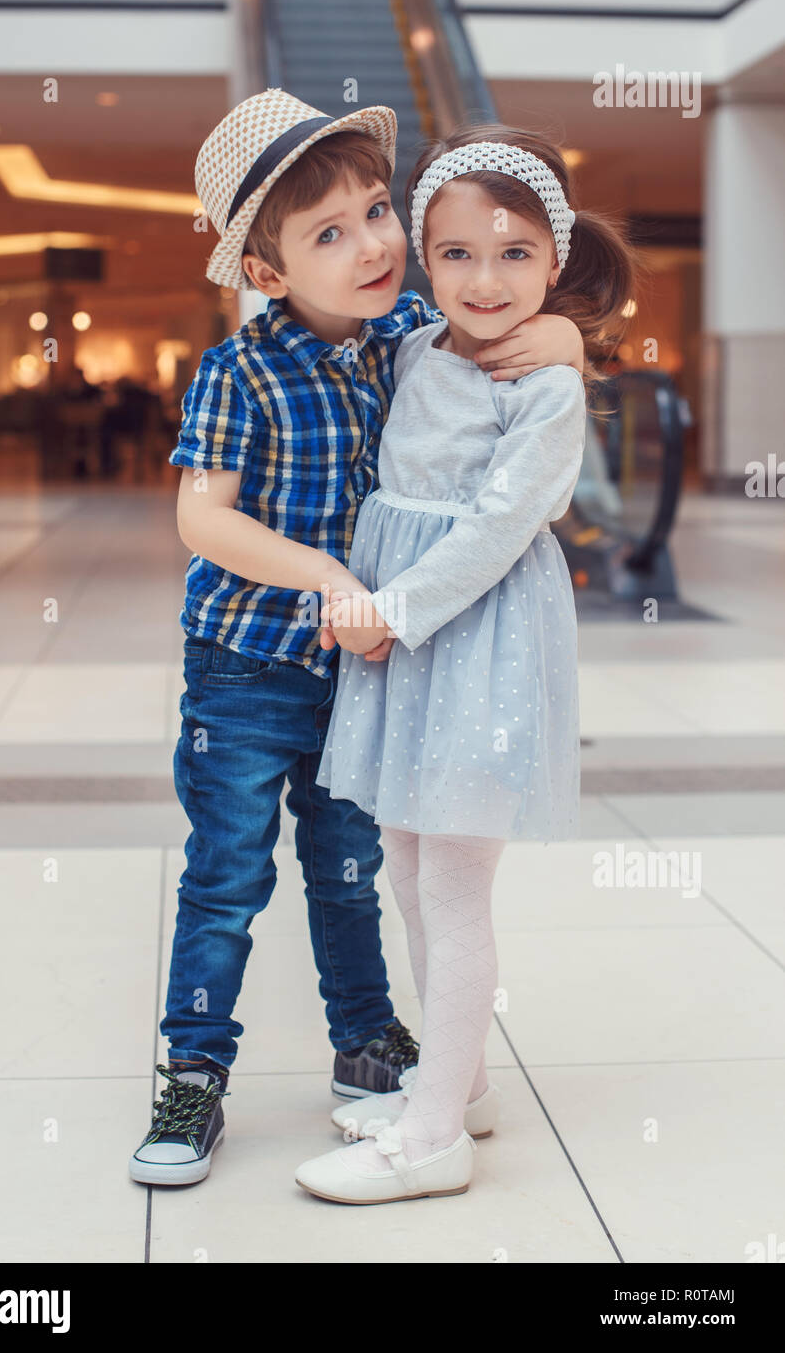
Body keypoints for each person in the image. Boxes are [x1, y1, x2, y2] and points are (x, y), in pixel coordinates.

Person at [128, 91, 585, 1187]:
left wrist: (562, 330)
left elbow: (499, 342)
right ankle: (194, 1071)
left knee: (350, 868)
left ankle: (373, 1047)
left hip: (367, 666)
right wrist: (330, 574)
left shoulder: (403, 342)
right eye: (328, 234)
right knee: (227, 872)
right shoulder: (241, 370)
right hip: (247, 662)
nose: (374, 245)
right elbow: (202, 515)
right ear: (269, 271)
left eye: (377, 212)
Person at [294, 123, 639, 1204]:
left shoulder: (535, 384)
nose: (483, 280)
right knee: (403, 861)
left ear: (554, 258)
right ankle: (463, 1082)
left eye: (513, 254)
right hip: (405, 640)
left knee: (450, 883)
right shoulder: (411, 347)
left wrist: (392, 607)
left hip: (470, 631)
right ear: (424, 256)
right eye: (454, 254)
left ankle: (431, 1133)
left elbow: (498, 528)